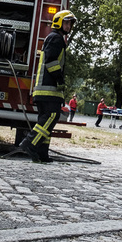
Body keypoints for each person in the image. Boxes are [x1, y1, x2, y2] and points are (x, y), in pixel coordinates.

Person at [19, 9, 76, 163]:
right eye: (66, 22)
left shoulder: (54, 38)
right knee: (51, 116)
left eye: (70, 23)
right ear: (58, 22)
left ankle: (41, 154)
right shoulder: (56, 38)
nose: (69, 26)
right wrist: (60, 79)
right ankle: (30, 143)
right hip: (48, 88)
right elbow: (51, 61)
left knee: (46, 120)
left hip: (46, 90)